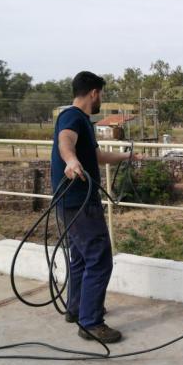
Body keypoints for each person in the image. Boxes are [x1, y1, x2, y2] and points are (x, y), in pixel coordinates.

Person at [50, 71, 142, 343]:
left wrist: (127, 156)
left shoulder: (82, 121)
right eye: (101, 94)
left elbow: (97, 156)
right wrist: (70, 161)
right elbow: (65, 141)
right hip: (79, 202)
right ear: (94, 93)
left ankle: (76, 309)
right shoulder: (73, 117)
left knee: (80, 257)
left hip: (71, 202)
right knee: (99, 259)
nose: (101, 98)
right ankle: (90, 322)